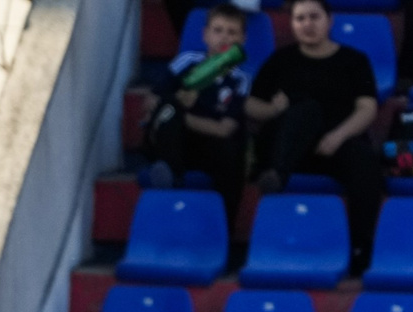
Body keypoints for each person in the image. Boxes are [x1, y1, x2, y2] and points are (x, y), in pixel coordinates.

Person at [248, 0, 385, 273]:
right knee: (307, 109)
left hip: (334, 143)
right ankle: (276, 176)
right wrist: (272, 110)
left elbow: (367, 108)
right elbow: (251, 104)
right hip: (289, 146)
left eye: (314, 17)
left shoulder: (354, 60)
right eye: (300, 18)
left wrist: (338, 136)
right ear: (292, 24)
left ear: (329, 21)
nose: (307, 24)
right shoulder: (280, 60)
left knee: (366, 164)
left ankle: (360, 249)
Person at [146, 4, 255, 232]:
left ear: (243, 39)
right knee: (167, 109)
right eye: (218, 30)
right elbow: (151, 102)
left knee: (232, 149)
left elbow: (224, 129)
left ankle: (222, 230)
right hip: (175, 141)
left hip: (210, 147)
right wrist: (177, 100)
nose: (224, 37)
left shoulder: (240, 79)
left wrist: (182, 117)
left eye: (232, 32)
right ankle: (169, 176)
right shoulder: (187, 61)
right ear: (205, 35)